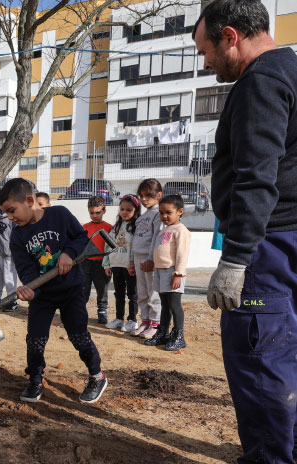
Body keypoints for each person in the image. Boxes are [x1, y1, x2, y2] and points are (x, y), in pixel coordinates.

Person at [194, 1, 297, 460]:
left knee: (261, 360)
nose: (206, 61)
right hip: (288, 236)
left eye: (207, 50)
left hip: (266, 246)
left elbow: (257, 175)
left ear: (230, 36)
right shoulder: (292, 69)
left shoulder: (262, 82)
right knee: (287, 357)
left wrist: (236, 258)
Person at [0, 178, 106, 404]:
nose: (10, 217)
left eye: (12, 210)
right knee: (35, 340)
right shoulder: (18, 235)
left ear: (29, 200)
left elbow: (80, 237)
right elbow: (26, 269)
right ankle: (35, 380)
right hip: (43, 296)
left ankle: (97, 375)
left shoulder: (60, 215)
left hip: (71, 290)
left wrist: (67, 252)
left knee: (79, 335)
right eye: (6, 213)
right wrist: (31, 290)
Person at [144, 195, 190, 350]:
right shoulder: (164, 230)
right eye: (162, 213)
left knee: (174, 304)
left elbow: (182, 254)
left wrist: (178, 274)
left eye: (168, 212)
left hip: (173, 272)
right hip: (160, 271)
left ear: (180, 211)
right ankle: (163, 333)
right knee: (164, 304)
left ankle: (178, 336)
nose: (164, 216)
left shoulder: (181, 230)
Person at [129, 179, 163, 338]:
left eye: (148, 196)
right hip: (137, 259)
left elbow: (156, 239)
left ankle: (156, 324)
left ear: (159, 195)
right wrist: (131, 260)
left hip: (149, 261)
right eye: (141, 196)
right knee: (142, 293)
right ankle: (145, 321)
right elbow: (134, 240)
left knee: (153, 293)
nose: (144, 199)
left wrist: (151, 260)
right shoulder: (141, 217)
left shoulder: (158, 215)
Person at [102, 195, 141, 332]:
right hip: (116, 264)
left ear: (136, 211)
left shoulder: (137, 227)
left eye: (128, 210)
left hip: (130, 266)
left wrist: (136, 264)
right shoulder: (116, 227)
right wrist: (107, 264)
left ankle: (132, 320)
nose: (124, 212)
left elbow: (139, 247)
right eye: (122, 209)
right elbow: (108, 246)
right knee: (119, 293)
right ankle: (119, 319)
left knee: (132, 294)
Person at [82, 196, 113, 324]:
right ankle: (80, 311)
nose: (94, 215)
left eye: (98, 212)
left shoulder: (109, 228)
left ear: (104, 211)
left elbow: (112, 248)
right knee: (83, 288)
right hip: (86, 262)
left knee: (102, 289)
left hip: (102, 263)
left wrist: (109, 265)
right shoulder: (84, 227)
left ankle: (102, 311)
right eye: (91, 213)